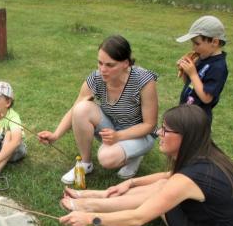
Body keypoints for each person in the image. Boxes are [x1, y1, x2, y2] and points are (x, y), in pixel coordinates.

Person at [59, 105, 233, 226]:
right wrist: (131, 182)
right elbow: (169, 175)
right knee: (164, 183)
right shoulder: (205, 152)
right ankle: (98, 197)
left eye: (166, 130)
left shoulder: (192, 177)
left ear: (186, 137)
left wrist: (89, 219)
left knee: (162, 193)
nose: (160, 133)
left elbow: (138, 217)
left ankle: (89, 206)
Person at [37, 35, 158, 185]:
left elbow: (149, 125)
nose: (102, 70)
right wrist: (55, 135)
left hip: (141, 134)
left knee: (106, 158)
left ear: (126, 63)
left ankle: (134, 156)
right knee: (81, 109)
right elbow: (75, 110)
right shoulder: (96, 78)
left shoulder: (143, 80)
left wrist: (119, 136)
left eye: (110, 65)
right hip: (112, 130)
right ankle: (85, 164)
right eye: (100, 63)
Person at [176, 15, 229, 122]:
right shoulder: (202, 58)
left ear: (214, 42)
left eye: (197, 43)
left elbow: (206, 98)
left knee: (192, 139)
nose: (193, 47)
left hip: (198, 120)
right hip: (186, 112)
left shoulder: (218, 67)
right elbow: (190, 84)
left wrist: (193, 74)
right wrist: (186, 71)